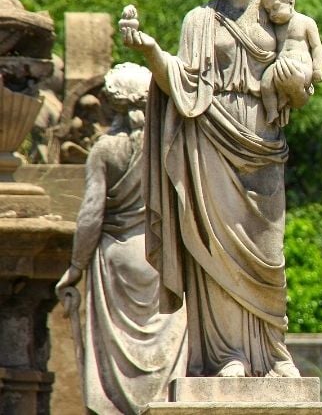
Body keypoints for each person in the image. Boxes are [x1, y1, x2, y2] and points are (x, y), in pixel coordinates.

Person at [120, 0, 309, 378]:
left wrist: (293, 78)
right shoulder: (200, 20)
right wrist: (150, 51)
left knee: (267, 250)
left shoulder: (279, 16)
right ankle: (231, 355)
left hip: (262, 140)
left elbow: (301, 82)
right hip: (210, 138)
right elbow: (183, 84)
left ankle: (273, 348)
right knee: (219, 250)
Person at [56, 63, 187, 414]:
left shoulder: (105, 149)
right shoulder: (171, 145)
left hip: (117, 259)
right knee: (165, 362)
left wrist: (75, 266)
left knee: (115, 367)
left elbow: (90, 214)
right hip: (163, 259)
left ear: (112, 104)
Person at [258, 0, 322, 125]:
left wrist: (317, 69)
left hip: (301, 66)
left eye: (275, 7)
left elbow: (316, 46)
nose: (272, 14)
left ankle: (285, 96)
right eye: (268, 11)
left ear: (290, 2)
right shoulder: (275, 27)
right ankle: (272, 111)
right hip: (279, 65)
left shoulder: (306, 22)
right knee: (265, 83)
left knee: (293, 77)